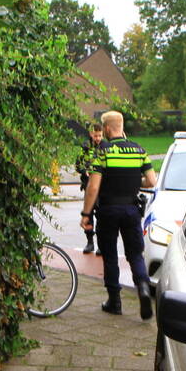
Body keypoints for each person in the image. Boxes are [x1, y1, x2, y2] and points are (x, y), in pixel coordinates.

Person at [79, 111, 157, 319]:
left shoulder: (103, 151)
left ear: (105, 129)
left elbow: (93, 187)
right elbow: (151, 181)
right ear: (122, 126)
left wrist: (86, 214)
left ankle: (115, 302)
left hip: (108, 211)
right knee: (134, 254)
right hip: (132, 210)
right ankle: (143, 287)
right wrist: (133, 182)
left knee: (110, 256)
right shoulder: (139, 150)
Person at [74, 123, 104, 254]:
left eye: (100, 135)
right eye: (95, 135)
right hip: (88, 185)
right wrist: (83, 171)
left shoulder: (105, 147)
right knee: (89, 214)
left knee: (101, 216)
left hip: (102, 186)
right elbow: (78, 164)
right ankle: (90, 242)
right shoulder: (85, 148)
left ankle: (101, 245)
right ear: (91, 134)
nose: (97, 138)